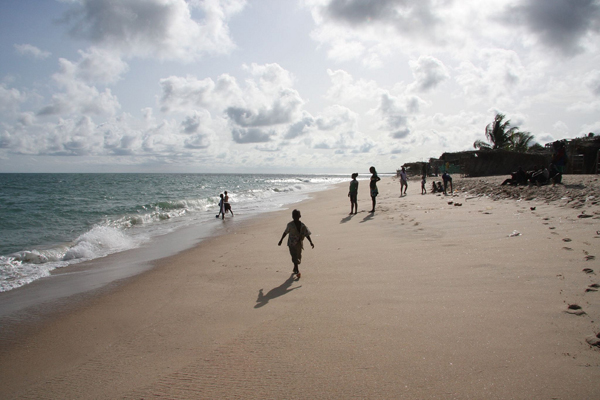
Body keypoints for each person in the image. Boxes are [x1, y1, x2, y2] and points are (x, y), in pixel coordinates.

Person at [278, 209, 314, 279]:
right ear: (292, 216)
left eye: (297, 215)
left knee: (298, 256)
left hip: (299, 243)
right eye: (294, 216)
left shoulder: (302, 225)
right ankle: (297, 270)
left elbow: (307, 234)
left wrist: (311, 242)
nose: (295, 217)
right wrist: (281, 240)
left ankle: (295, 267)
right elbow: (285, 232)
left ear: (300, 216)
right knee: (294, 256)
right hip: (291, 243)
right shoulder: (290, 225)